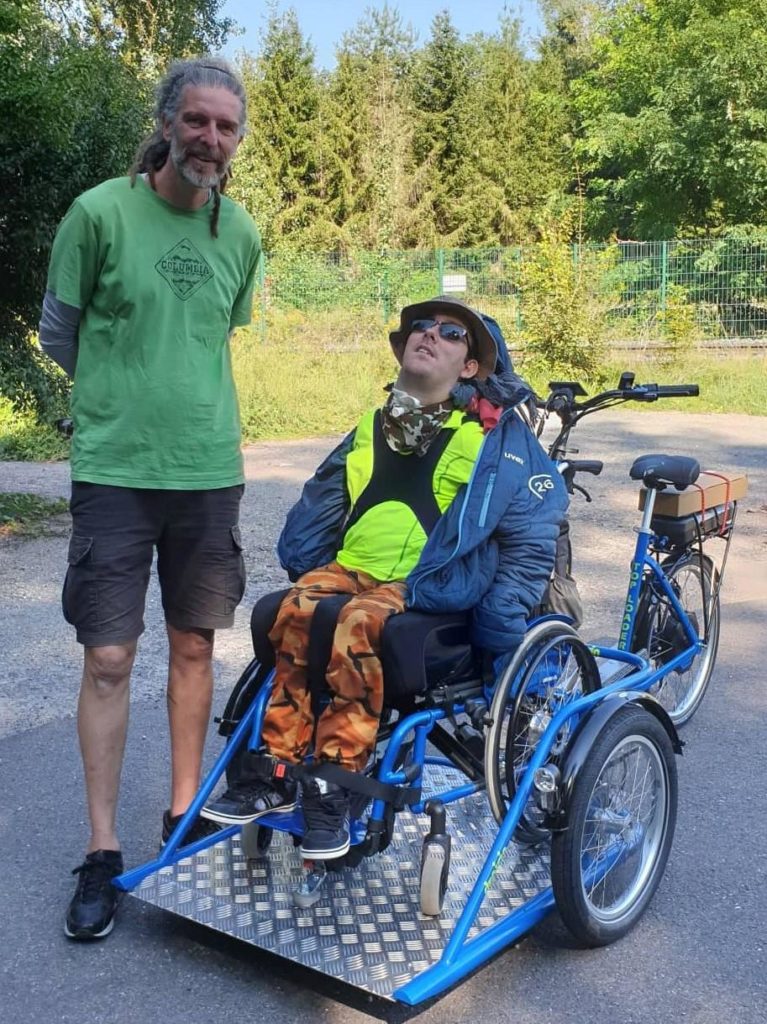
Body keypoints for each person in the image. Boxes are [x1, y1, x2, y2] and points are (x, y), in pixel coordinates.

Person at [202, 296, 568, 861]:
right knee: (292, 611)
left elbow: (528, 538)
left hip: (426, 586)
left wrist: (502, 631)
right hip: (351, 569)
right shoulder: (371, 427)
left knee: (356, 625)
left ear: (471, 368)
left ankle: (334, 787)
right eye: (420, 326)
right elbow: (319, 509)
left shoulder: (492, 442)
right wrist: (305, 564)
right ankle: (272, 775)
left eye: (451, 334)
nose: (430, 334)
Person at [38, 57, 262, 940]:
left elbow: (216, 336)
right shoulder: (97, 214)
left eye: (227, 127)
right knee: (108, 659)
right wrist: (112, 404)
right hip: (115, 473)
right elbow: (61, 331)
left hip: (207, 470)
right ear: (167, 121)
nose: (211, 139)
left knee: (195, 648)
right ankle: (102, 849)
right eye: (198, 120)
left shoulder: (238, 232)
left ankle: (182, 816)